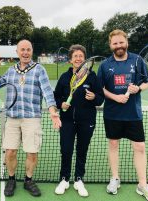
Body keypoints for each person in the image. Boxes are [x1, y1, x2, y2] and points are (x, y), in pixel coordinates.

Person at [97, 29, 148, 201]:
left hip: (133, 114)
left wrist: (138, 88)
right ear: (110, 45)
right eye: (115, 43)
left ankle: (142, 185)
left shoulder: (138, 60)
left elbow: (147, 82)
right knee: (113, 145)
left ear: (126, 42)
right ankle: (115, 178)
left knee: (139, 147)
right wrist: (114, 96)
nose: (118, 46)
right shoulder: (104, 65)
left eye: (121, 42)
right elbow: (100, 88)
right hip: (112, 114)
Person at [0, 39, 61, 197]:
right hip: (12, 118)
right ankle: (12, 179)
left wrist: (52, 112)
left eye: (28, 49)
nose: (25, 52)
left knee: (32, 152)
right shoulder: (10, 70)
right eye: (22, 49)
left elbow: (47, 93)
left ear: (32, 51)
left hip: (32, 118)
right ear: (17, 52)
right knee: (10, 152)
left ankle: (28, 180)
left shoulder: (39, 70)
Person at [53, 44, 104, 197]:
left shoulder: (92, 77)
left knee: (82, 151)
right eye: (75, 56)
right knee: (66, 150)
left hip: (86, 121)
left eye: (81, 56)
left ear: (85, 59)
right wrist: (61, 103)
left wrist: (94, 97)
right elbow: (55, 96)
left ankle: (79, 179)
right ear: (70, 60)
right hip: (67, 121)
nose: (78, 58)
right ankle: (64, 178)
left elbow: (100, 98)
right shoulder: (64, 77)